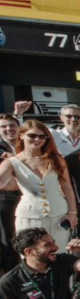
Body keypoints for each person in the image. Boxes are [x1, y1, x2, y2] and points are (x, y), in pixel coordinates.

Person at [0, 121, 78, 252]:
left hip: (59, 214)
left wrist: (72, 213)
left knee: (60, 251)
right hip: (29, 216)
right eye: (32, 136)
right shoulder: (12, 162)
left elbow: (67, 186)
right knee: (32, 253)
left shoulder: (56, 159)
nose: (37, 140)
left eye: (42, 136)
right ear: (21, 135)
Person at [0, 113, 21, 272]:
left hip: (30, 199)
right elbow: (7, 185)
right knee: (9, 242)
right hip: (6, 202)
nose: (9, 129)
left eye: (12, 125)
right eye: (3, 126)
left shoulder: (28, 145)